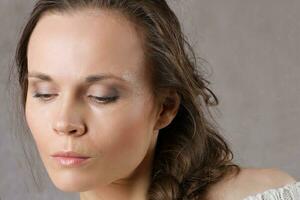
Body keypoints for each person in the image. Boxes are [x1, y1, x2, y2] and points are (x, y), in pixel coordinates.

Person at [12, 0, 299, 200]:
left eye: (102, 96)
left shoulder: (260, 195)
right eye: (44, 93)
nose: (64, 123)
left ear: (165, 107)